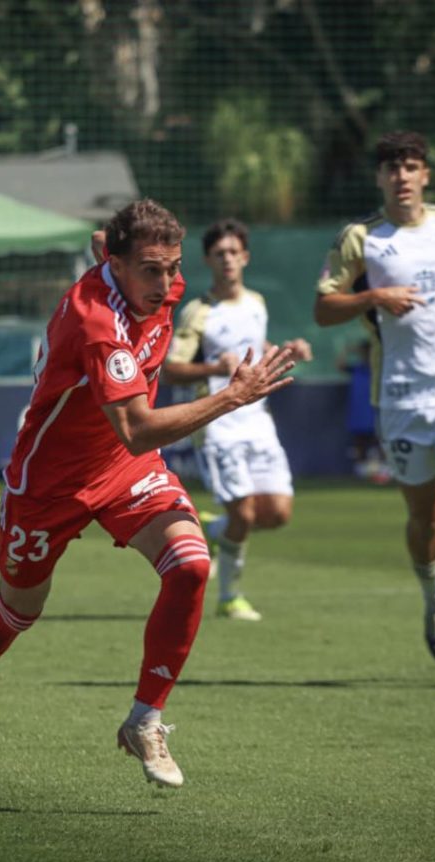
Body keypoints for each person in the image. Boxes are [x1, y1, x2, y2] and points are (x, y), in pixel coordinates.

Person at [0, 200, 296, 788]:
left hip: (123, 471)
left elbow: (106, 240)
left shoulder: (150, 273)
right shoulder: (96, 323)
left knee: (191, 565)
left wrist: (123, 251)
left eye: (173, 268)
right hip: (50, 483)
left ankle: (145, 719)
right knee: (19, 610)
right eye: (151, 270)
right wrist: (231, 397)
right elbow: (138, 427)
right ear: (116, 264)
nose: (167, 287)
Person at [314, 130, 435, 668]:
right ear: (379, 178)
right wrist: (373, 296)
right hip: (400, 396)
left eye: (412, 166)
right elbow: (324, 308)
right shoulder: (362, 238)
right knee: (427, 516)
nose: (402, 176)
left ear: (426, 175)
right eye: (392, 168)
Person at [163, 218, 312, 622]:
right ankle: (229, 597)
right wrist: (214, 368)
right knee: (244, 513)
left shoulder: (257, 303)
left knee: (278, 513)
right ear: (208, 261)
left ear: (245, 257)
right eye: (219, 254)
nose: (227, 259)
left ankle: (214, 530)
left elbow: (255, 348)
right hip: (218, 420)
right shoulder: (199, 312)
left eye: (233, 252)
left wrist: (286, 351)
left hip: (257, 419)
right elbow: (171, 368)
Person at [336, 337, 389, 483]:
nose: (365, 355)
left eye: (367, 352)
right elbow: (340, 366)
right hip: (358, 412)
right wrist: (346, 350)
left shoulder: (378, 368)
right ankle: (360, 472)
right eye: (363, 352)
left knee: (379, 441)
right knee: (359, 442)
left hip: (375, 411)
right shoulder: (357, 368)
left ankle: (385, 471)